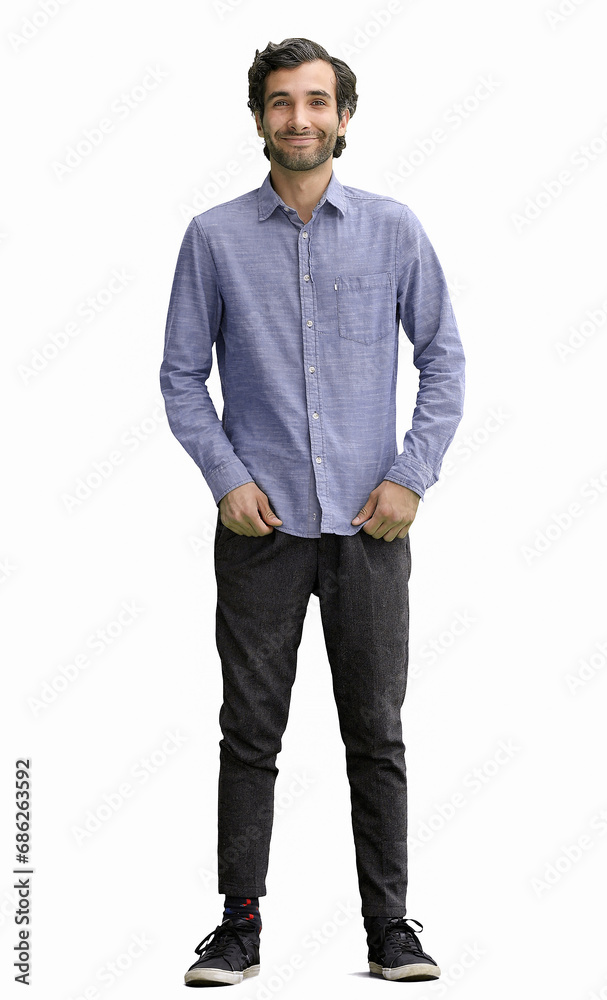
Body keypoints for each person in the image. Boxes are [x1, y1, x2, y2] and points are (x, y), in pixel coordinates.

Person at [160, 36, 465, 987]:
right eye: (282, 102)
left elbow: (443, 360)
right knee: (250, 730)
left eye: (317, 101)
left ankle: (389, 928)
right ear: (258, 117)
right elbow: (180, 379)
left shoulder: (394, 229)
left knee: (375, 730)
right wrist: (227, 478)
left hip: (371, 529)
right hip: (263, 529)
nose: (300, 118)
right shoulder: (212, 238)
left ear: (344, 116)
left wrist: (411, 477)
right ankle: (238, 925)